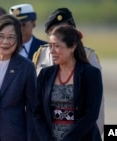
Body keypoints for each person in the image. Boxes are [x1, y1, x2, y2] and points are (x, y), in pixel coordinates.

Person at [32, 7, 104, 135]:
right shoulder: (44, 69)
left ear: (72, 45)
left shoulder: (90, 67)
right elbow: (37, 111)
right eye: (50, 45)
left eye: (57, 46)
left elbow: (92, 112)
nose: (52, 50)